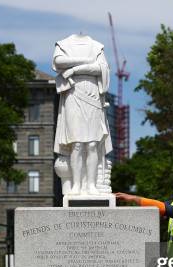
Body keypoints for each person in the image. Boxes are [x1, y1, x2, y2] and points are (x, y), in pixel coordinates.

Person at [52, 33, 112, 195]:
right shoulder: (63, 43)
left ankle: (91, 185)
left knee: (92, 144)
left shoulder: (97, 46)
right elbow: (58, 62)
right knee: (77, 144)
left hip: (92, 94)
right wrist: (86, 62)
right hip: (73, 93)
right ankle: (77, 185)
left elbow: (101, 68)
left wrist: (74, 70)